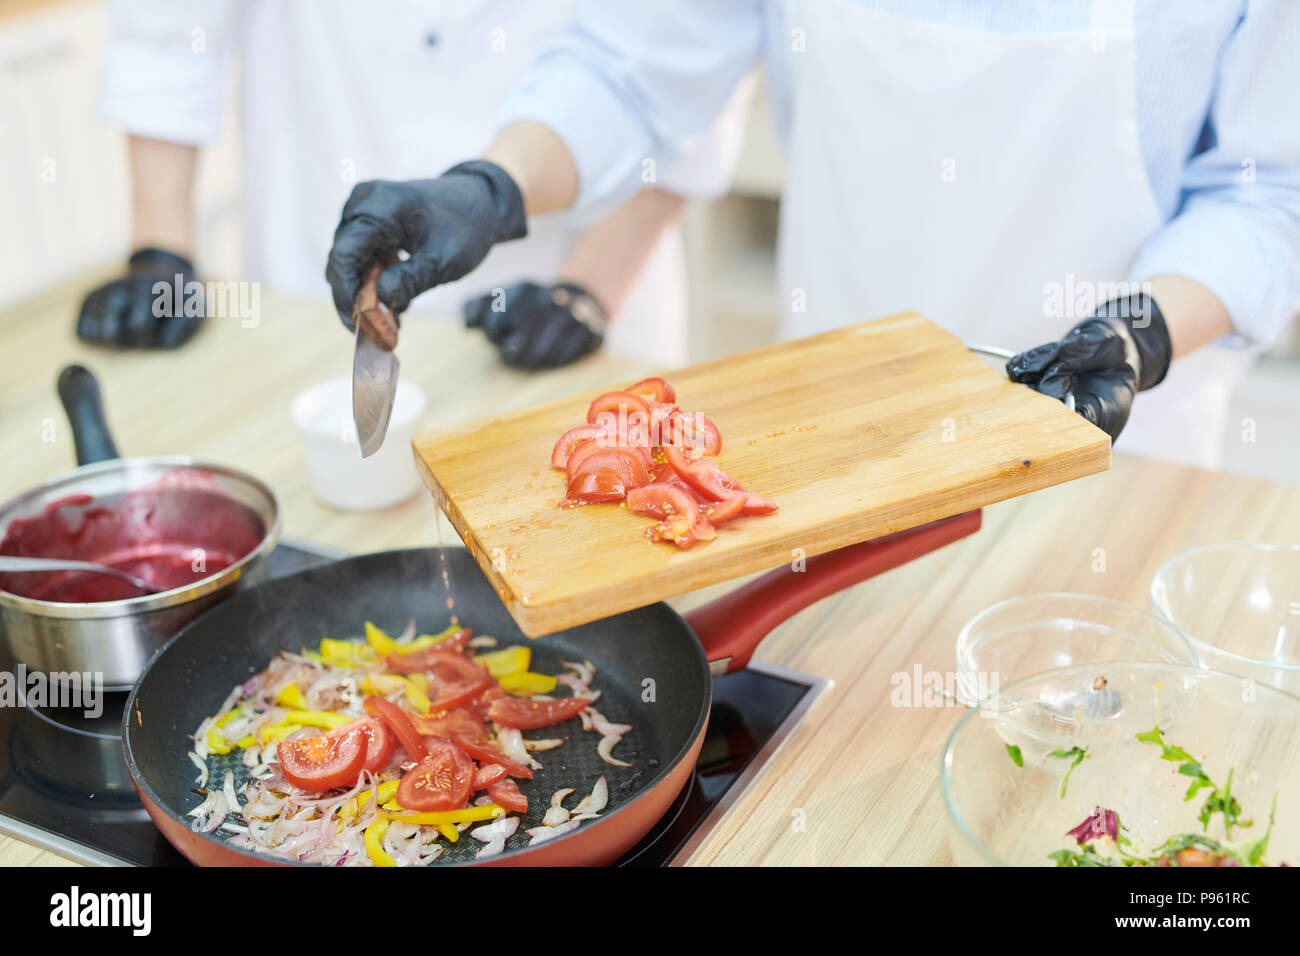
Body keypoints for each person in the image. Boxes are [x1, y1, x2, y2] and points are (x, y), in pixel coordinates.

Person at [325, 0, 1300, 469]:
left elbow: (1269, 191)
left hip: (1123, 436)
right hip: (837, 418)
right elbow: (634, 66)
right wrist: (492, 187)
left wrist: (1143, 331)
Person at [79, 0, 750, 368]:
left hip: (574, 270)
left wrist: (590, 287)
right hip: (310, 258)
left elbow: (677, 64)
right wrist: (160, 252)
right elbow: (166, 30)